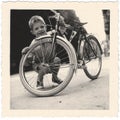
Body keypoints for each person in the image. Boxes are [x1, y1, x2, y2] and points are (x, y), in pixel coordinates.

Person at [22, 15, 62, 89]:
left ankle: (55, 77)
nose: (40, 29)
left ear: (45, 27)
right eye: (36, 28)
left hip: (50, 61)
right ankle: (39, 81)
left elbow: (57, 36)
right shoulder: (34, 42)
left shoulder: (50, 36)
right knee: (43, 67)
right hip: (39, 64)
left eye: (42, 27)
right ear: (32, 32)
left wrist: (55, 33)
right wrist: (26, 53)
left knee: (57, 60)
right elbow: (29, 56)